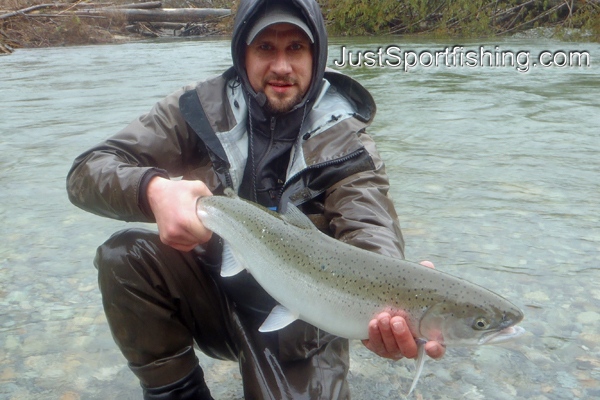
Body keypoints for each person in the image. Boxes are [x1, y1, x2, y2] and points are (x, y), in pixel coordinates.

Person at [66, 0, 444, 399]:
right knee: (124, 256)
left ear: (317, 57)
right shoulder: (196, 111)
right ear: (241, 54)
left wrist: (396, 297)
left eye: (296, 48)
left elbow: (370, 230)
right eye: (265, 48)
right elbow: (86, 171)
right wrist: (152, 190)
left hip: (302, 328)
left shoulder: (347, 145)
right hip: (209, 295)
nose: (281, 66)